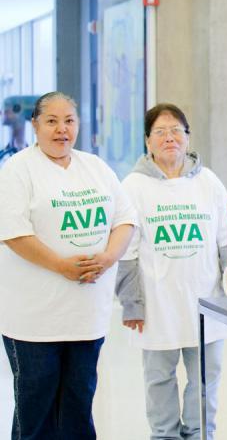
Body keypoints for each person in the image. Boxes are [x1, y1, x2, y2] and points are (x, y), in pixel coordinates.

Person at [0, 91, 137, 440]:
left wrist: (108, 258)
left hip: (85, 317)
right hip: (34, 322)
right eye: (51, 121)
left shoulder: (95, 167)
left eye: (69, 121)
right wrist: (61, 266)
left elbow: (125, 220)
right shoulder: (18, 170)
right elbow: (14, 234)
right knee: (36, 411)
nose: (62, 129)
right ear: (35, 125)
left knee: (78, 407)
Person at [115, 104, 227, 440]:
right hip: (157, 306)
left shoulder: (209, 182)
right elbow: (127, 251)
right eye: (160, 132)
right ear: (147, 141)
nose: (169, 138)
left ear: (188, 137)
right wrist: (131, 303)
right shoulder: (133, 186)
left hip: (207, 306)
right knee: (159, 383)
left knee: (205, 384)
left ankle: (199, 435)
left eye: (176, 130)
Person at [0, 95, 36, 166]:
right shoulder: (3, 155)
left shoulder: (35, 157)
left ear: (17, 109)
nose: (2, 112)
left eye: (7, 107)